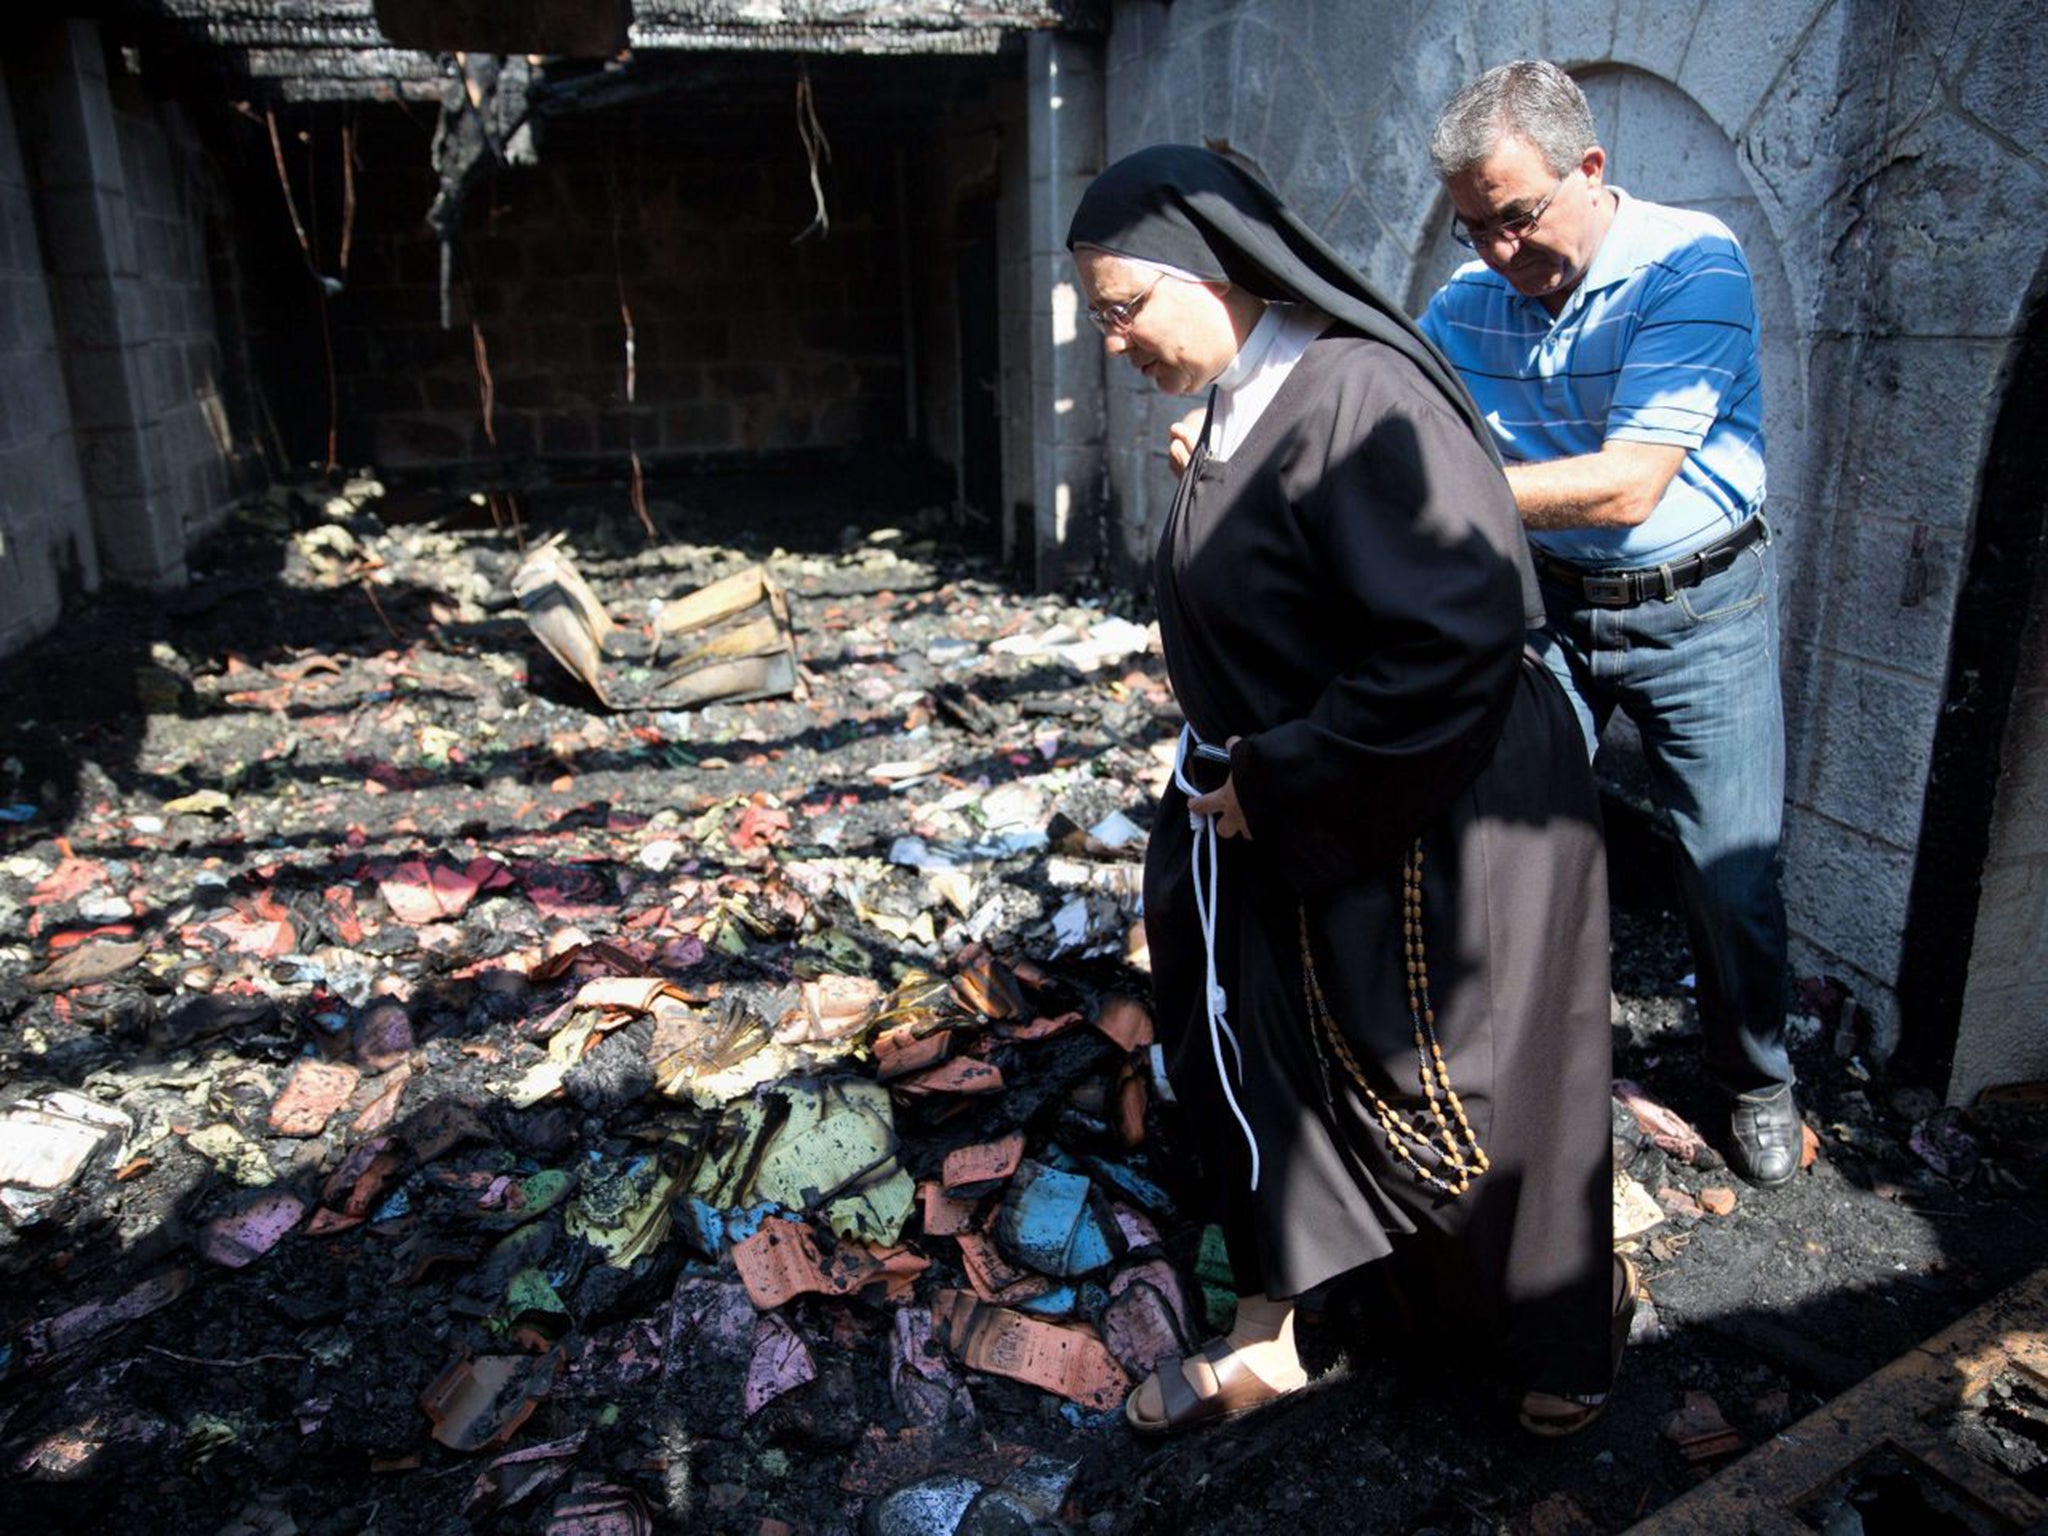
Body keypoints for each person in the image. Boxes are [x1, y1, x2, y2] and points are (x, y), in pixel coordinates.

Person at [1067, 145, 1627, 1438]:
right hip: (1308, 791)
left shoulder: (1359, 395)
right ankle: (1292, 1326)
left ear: (1213, 270)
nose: (1112, 342)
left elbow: (1453, 639)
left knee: (1476, 1088)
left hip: (1447, 798)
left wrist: (1284, 778)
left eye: (1122, 308)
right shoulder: (1241, 401)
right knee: (1294, 1054)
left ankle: (1568, 1329)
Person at [1418, 61, 1801, 1188]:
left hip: (1701, 603)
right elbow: (1391, 419)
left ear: (1587, 168)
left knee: (1724, 871)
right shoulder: (1460, 305)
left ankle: (1755, 1078)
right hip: (1548, 605)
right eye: (1469, 228)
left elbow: (1628, 488)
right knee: (1495, 837)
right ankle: (1522, 1075)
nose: (1493, 252)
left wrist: (1431, 491)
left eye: (1513, 217)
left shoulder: (1691, 264)